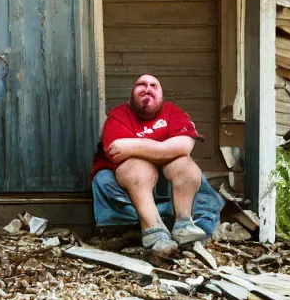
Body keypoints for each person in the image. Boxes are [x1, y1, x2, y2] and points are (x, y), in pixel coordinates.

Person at [91, 74, 224, 258]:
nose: (147, 88)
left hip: (169, 187)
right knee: (137, 168)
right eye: (141, 84)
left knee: (184, 164)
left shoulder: (173, 112)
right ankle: (153, 229)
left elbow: (184, 146)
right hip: (126, 189)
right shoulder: (118, 115)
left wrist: (134, 146)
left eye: (154, 85)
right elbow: (115, 152)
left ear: (161, 95)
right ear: (131, 95)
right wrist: (165, 149)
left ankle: (184, 224)